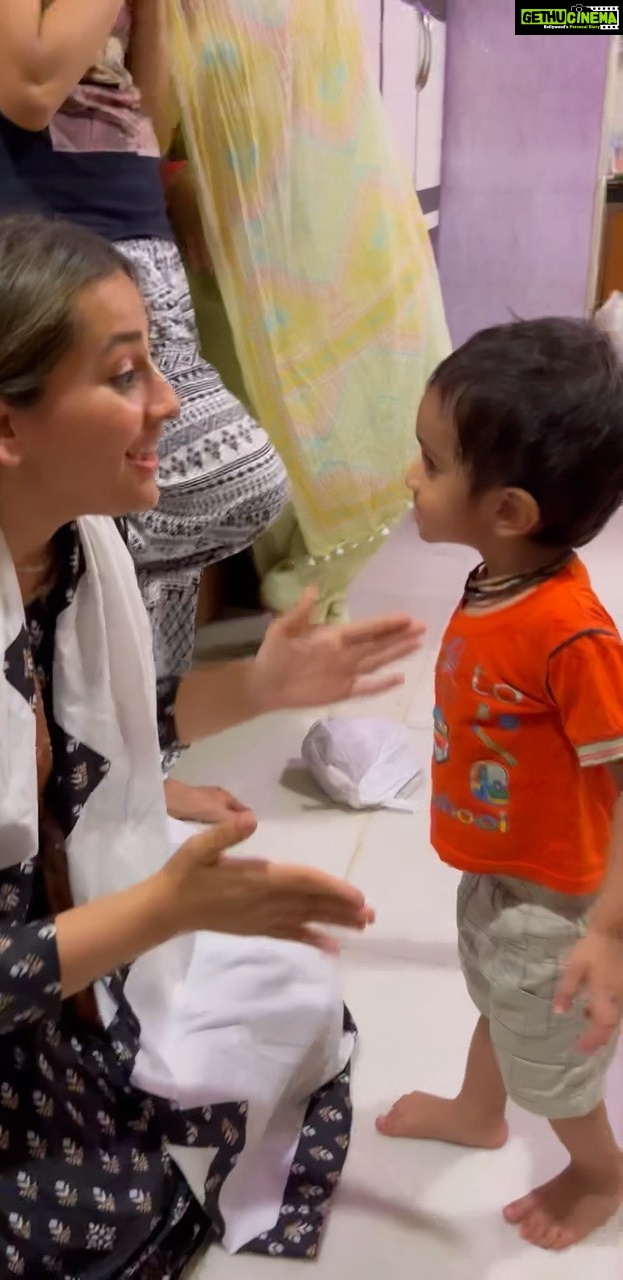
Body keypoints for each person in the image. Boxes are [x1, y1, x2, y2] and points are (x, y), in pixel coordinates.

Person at [0, 215, 424, 1277]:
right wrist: (161, 906)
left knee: (296, 1006)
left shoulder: (72, 545)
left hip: (56, 974)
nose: (172, 403)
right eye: (127, 372)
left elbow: (85, 728)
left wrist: (261, 686)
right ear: (1, 426)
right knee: (82, 1234)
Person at [0, 0, 289, 697]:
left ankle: (139, 756)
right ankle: (65, 690)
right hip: (51, 247)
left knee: (150, 526)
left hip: (139, 236)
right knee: (229, 482)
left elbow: (149, 113)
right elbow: (28, 91)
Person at [376, 318, 623, 1250]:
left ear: (510, 509)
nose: (412, 475)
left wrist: (606, 928)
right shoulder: (500, 577)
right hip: (504, 874)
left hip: (562, 905)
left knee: (554, 1065)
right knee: (497, 998)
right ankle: (480, 1112)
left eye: (430, 462)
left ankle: (602, 1173)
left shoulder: (573, 634)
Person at [162, 0, 451, 621]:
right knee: (259, 416)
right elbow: (142, 114)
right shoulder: (176, 14)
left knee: (386, 394)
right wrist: (178, 177)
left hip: (322, 217)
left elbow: (331, 106)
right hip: (222, 237)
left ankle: (317, 577)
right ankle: (301, 579)